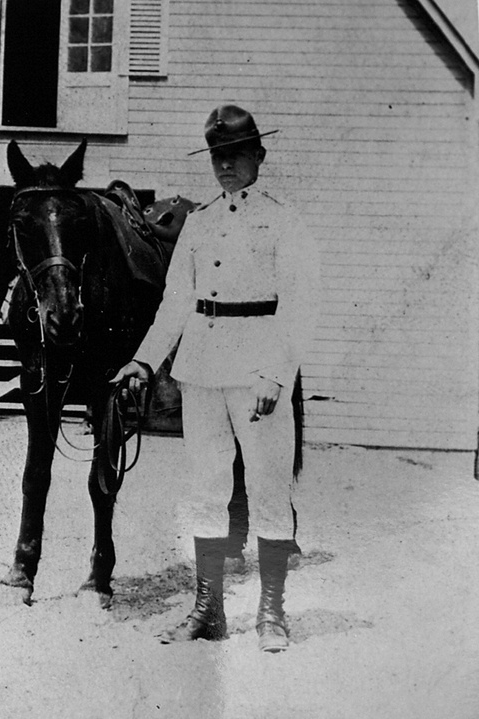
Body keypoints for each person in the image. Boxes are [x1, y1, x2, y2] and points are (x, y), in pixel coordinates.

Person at [111, 104, 320, 652]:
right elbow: (174, 304)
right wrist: (143, 360)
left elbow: (300, 306)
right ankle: (209, 612)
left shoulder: (285, 220)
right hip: (201, 371)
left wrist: (277, 373)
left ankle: (272, 613)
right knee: (206, 491)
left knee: (269, 488)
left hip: (258, 372)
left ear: (258, 156)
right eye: (217, 156)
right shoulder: (199, 222)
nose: (225, 165)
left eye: (235, 155)